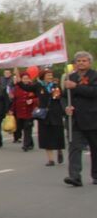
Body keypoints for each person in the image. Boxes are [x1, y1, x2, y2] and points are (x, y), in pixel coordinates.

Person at [64, 51, 97, 187]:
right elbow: (64, 97)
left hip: (92, 117)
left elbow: (94, 92)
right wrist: (66, 107)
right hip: (75, 119)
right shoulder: (70, 77)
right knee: (74, 148)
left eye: (84, 61)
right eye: (78, 61)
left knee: (95, 148)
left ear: (89, 62)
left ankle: (96, 174)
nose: (81, 63)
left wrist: (76, 86)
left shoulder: (95, 76)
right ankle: (75, 176)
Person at [34, 68, 66, 166]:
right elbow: (24, 86)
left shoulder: (55, 86)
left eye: (51, 75)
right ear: (43, 76)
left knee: (57, 135)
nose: (50, 77)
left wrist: (56, 92)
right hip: (44, 115)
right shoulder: (38, 86)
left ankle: (59, 150)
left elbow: (60, 97)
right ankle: (50, 159)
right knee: (46, 137)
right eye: (48, 75)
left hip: (56, 114)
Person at [10, 73, 37, 150]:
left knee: (27, 128)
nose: (25, 80)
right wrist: (11, 110)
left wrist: (33, 100)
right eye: (24, 78)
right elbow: (14, 100)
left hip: (30, 112)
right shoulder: (17, 87)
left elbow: (38, 98)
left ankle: (26, 145)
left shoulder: (33, 87)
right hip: (19, 112)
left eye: (27, 78)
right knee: (21, 127)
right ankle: (30, 143)